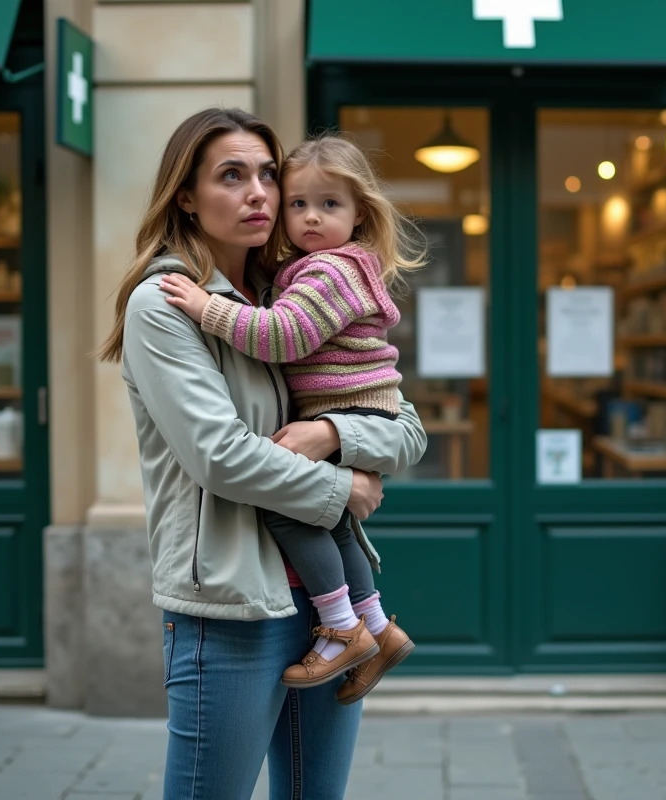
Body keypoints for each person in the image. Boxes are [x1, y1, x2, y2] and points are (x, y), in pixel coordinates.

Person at [96, 107, 427, 800]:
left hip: (332, 617)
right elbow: (220, 457)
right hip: (233, 611)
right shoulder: (165, 304)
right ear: (185, 195)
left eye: (269, 175)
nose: (259, 193)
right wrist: (345, 489)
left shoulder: (295, 289)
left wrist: (334, 435)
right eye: (231, 175)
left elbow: (404, 423)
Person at [159, 134, 423, 702]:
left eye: (329, 205)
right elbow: (219, 455)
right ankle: (374, 626)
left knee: (289, 507)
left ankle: (344, 627)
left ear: (359, 215)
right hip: (247, 588)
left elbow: (287, 337)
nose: (305, 215)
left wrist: (210, 308)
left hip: (347, 405)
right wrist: (341, 478)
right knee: (329, 516)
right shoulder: (286, 276)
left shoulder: (325, 272)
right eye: (300, 202)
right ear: (185, 196)